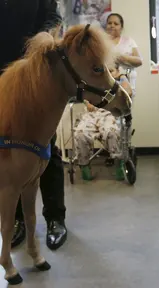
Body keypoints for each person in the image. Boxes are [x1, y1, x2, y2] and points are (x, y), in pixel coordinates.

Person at [0, 0, 67, 250]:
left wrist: (45, 33)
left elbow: (52, 17)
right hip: (4, 79)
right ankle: (16, 220)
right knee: (8, 153)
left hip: (36, 76)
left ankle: (55, 218)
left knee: (45, 146)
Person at [74, 65, 133, 181]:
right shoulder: (95, 81)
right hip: (91, 114)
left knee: (111, 132)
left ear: (117, 71)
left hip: (108, 114)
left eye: (111, 71)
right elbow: (85, 95)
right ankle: (84, 166)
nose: (107, 74)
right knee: (80, 133)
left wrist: (122, 76)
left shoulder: (118, 82)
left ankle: (118, 163)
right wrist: (87, 103)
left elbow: (129, 93)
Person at [105, 13, 142, 96]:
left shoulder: (129, 41)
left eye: (116, 24)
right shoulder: (101, 42)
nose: (112, 26)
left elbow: (139, 61)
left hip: (127, 86)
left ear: (121, 27)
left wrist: (121, 57)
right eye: (109, 23)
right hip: (107, 85)